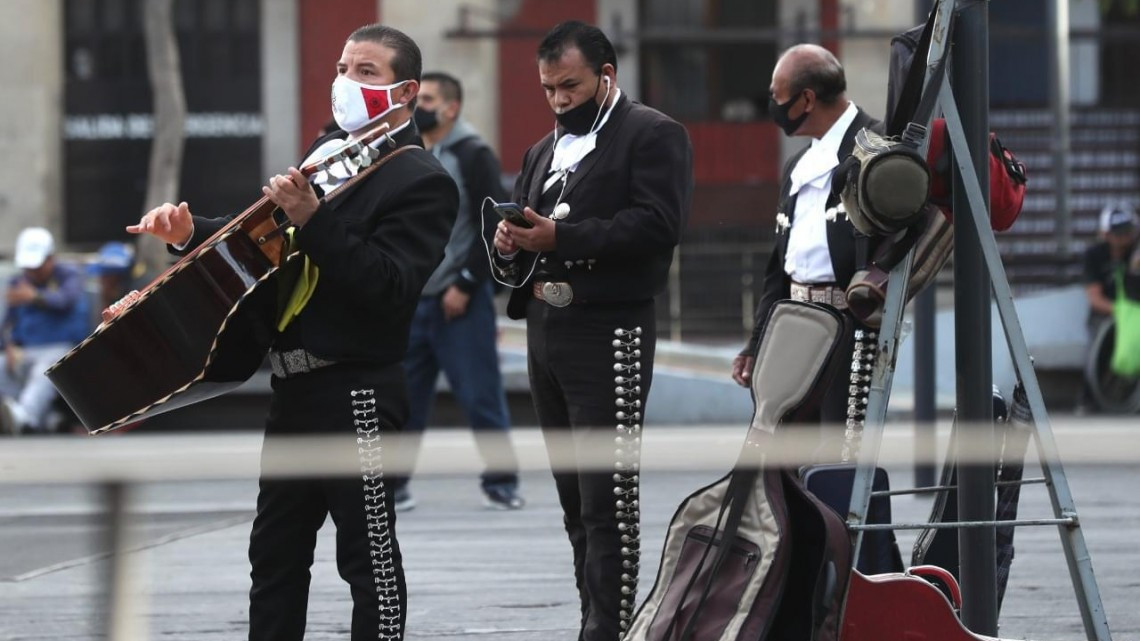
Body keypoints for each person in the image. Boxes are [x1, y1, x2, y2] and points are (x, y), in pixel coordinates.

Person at [128, 24, 458, 641]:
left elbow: (389, 283)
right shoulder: (328, 152)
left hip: (357, 389)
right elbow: (260, 238)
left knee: (369, 560)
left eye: (365, 71)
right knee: (275, 555)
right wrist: (188, 234)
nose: (345, 82)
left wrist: (315, 217)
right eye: (341, 68)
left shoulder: (422, 180)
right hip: (294, 385)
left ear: (406, 90)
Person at [492, 21, 692, 641]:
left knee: (608, 500)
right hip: (547, 329)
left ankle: (611, 628)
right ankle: (593, 619)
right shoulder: (541, 151)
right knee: (573, 499)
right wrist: (507, 245)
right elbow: (525, 246)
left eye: (569, 87)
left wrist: (564, 237)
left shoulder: (653, 134)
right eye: (548, 88)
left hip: (611, 328)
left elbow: (659, 225)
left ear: (606, 77)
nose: (558, 100)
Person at [389, 71, 523, 512]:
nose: (417, 105)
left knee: (480, 394)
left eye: (426, 98)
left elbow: (494, 227)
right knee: (404, 399)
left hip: (460, 303)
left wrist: (467, 283)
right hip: (414, 303)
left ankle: (502, 483)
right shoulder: (409, 150)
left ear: (451, 108)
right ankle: (394, 486)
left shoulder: (473, 153)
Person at [730, 44, 879, 440]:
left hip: (851, 328)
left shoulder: (878, 150)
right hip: (792, 324)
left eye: (777, 97)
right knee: (782, 459)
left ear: (807, 99)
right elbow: (779, 269)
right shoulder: (797, 165)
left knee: (838, 461)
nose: (772, 106)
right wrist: (755, 343)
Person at [0, 227, 90, 435]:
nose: (33, 272)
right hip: (26, 350)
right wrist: (9, 347)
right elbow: (8, 322)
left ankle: (24, 416)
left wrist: (35, 297)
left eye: (38, 266)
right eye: (28, 267)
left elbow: (66, 300)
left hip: (63, 349)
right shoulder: (18, 282)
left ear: (50, 258)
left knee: (45, 369)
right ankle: (47, 419)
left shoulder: (70, 275)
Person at [1084, 202, 1138, 326]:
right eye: (1119, 234)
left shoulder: (1135, 252)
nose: (1125, 238)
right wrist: (1120, 310)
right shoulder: (1094, 255)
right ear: (1106, 234)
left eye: (1128, 232)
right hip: (1105, 316)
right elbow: (1095, 298)